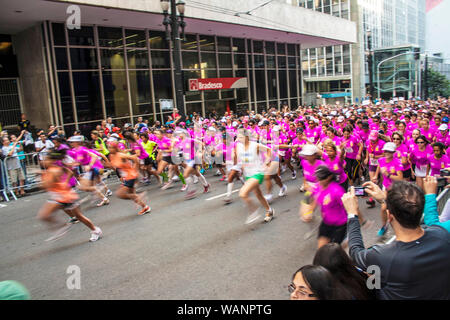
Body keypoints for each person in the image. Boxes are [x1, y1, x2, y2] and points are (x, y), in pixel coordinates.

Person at [341, 181, 450, 300]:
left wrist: (352, 214)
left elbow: (356, 252)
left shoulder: (383, 256)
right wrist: (384, 200)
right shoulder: (442, 235)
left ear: (389, 216)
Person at [38, 149, 102, 242]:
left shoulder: (53, 171)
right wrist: (64, 182)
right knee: (79, 216)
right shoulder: (52, 169)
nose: (43, 161)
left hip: (64, 197)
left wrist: (41, 179)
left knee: (44, 215)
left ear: (52, 161)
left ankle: (61, 227)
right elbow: (69, 172)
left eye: (46, 159)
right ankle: (95, 230)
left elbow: (46, 185)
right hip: (61, 195)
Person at [307, 166, 348, 248]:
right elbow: (313, 200)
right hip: (326, 223)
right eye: (317, 178)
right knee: (321, 250)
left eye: (321, 178)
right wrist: (309, 212)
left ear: (329, 178)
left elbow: (349, 207)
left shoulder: (337, 190)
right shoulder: (317, 187)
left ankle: (346, 239)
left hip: (339, 225)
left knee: (334, 252)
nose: (318, 180)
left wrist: (358, 222)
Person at [2, 131, 26, 197]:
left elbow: (21, 149)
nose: (8, 141)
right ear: (3, 142)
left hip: (18, 164)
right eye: (6, 140)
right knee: (14, 181)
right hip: (11, 167)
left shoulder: (12, 146)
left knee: (22, 178)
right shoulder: (4, 148)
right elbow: (10, 154)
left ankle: (22, 190)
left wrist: (20, 143)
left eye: (8, 140)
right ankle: (16, 192)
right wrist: (14, 145)